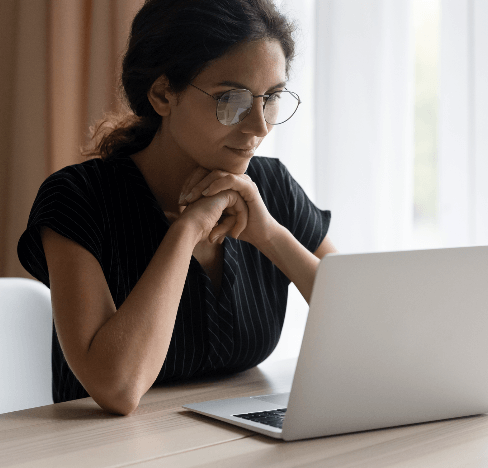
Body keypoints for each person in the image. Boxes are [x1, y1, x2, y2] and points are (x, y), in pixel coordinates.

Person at [18, 0, 336, 416]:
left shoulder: (270, 187)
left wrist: (271, 235)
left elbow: (371, 329)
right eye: (232, 99)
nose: (259, 126)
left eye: (271, 98)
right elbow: (118, 387)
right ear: (164, 94)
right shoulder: (79, 200)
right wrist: (187, 230)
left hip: (235, 442)